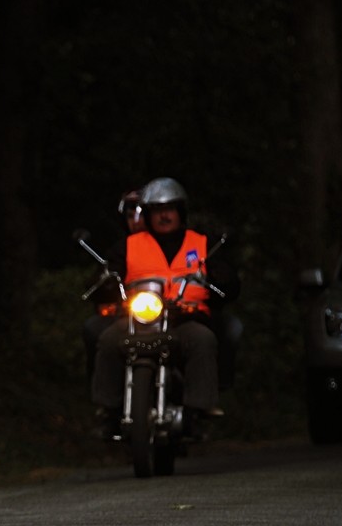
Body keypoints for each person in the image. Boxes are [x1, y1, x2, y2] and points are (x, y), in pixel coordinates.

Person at [90, 177, 241, 437]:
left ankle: (198, 412)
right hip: (138, 320)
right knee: (108, 339)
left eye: (169, 209)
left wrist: (220, 278)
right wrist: (105, 283)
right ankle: (110, 411)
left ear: (181, 212)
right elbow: (105, 276)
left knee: (203, 339)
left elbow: (229, 283)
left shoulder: (202, 243)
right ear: (147, 215)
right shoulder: (129, 245)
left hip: (185, 319)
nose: (164, 216)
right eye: (157, 210)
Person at [81, 188, 147, 386]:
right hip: (128, 317)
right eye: (129, 216)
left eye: (142, 215)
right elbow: (100, 279)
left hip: (167, 315)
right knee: (94, 328)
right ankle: (102, 391)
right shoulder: (121, 248)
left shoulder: (172, 246)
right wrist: (106, 284)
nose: (136, 221)